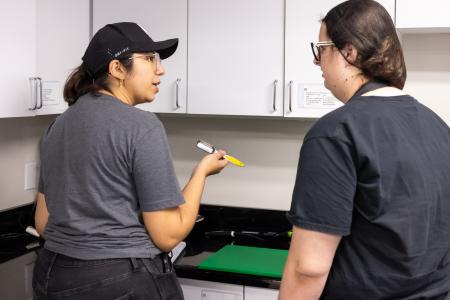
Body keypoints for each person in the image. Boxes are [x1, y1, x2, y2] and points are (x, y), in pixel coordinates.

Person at [33, 22, 228, 299]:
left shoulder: (58, 126)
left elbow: (43, 222)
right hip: (121, 280)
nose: (160, 69)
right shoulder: (142, 126)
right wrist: (201, 173)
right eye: (149, 59)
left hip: (52, 274)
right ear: (117, 69)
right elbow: (168, 235)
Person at [279, 1, 450, 299]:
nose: (316, 61)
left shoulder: (335, 133)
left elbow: (308, 268)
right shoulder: (439, 127)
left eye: (321, 48)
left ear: (350, 52)